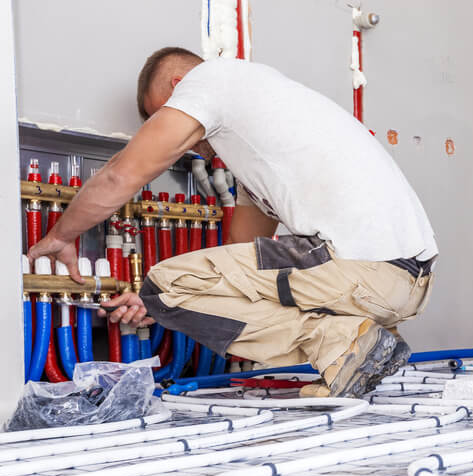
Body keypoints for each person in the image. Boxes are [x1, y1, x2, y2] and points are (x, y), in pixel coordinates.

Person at [27, 47, 437, 397]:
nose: (183, 143)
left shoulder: (210, 81)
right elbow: (240, 262)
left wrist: (62, 236)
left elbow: (120, 176)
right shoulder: (263, 139)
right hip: (405, 283)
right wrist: (162, 304)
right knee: (167, 289)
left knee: (164, 282)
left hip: (360, 267)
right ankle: (368, 341)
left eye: (161, 115)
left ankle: (343, 343)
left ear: (178, 87)